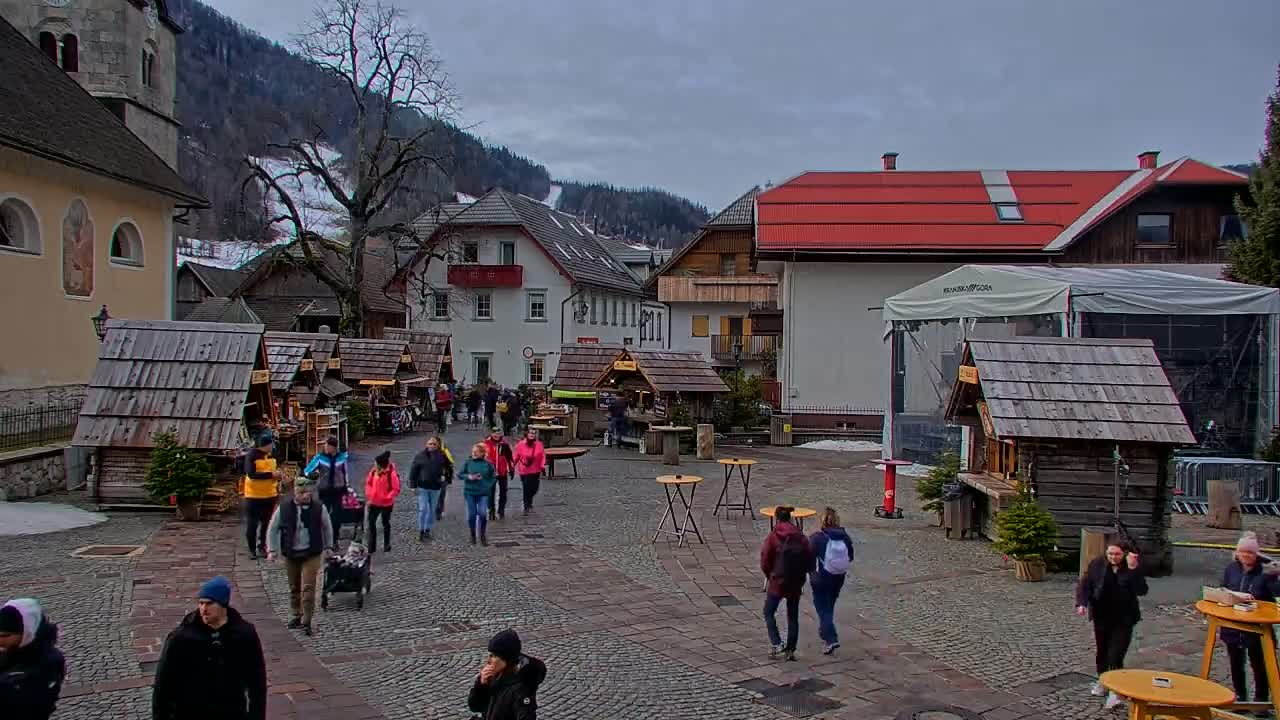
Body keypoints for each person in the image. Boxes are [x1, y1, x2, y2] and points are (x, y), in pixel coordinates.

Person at [151, 577, 266, 720]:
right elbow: (163, 685)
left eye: (209, 604)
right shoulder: (181, 638)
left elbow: (257, 682)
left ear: (223, 605)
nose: (203, 609)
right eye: (201, 603)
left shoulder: (244, 634)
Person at [1076, 542, 1147, 709]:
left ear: (1124, 554)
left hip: (1124, 618)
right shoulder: (1098, 564)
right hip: (1102, 615)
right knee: (1102, 652)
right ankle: (1102, 680)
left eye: (1116, 554)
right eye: (1110, 554)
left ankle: (1115, 691)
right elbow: (1085, 583)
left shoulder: (1131, 567)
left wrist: (1133, 570)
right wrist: (1082, 603)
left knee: (1116, 654)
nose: (1113, 557)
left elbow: (1142, 590)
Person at [267, 475, 334, 636]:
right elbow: (273, 528)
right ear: (296, 493)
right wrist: (272, 549)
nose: (307, 495)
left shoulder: (319, 508)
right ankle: (296, 614)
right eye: (304, 493)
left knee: (308, 587)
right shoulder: (284, 508)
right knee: (294, 587)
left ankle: (307, 620)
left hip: (312, 552)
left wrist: (329, 546)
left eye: (309, 492)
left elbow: (327, 527)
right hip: (291, 552)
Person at [1220, 534, 1280, 706]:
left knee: (1260, 664)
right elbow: (1224, 587)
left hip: (1258, 627)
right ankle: (1240, 696)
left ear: (1256, 554)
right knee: (1235, 663)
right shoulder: (1231, 568)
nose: (1246, 556)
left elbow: (1277, 593)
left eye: (1250, 553)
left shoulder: (1266, 571)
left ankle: (1261, 700)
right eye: (1242, 552)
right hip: (1232, 625)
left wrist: (1275, 577)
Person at [759, 506, 813, 661]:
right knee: (793, 615)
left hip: (778, 581)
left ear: (777, 518)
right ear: (790, 518)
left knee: (768, 612)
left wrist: (770, 575)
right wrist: (803, 576)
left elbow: (765, 559)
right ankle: (790, 650)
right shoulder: (801, 536)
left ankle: (776, 643)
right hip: (795, 581)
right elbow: (809, 558)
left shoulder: (773, 536)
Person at [0, 598, 65, 720]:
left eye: (5, 636)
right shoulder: (11, 651)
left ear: (27, 631)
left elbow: (30, 702)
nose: (0, 641)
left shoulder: (48, 661)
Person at [468, 629, 546, 720]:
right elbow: (475, 707)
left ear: (507, 659)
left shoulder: (521, 689)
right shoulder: (494, 676)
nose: (488, 660)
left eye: (494, 656)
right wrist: (481, 685)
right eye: (489, 655)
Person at [809, 507, 854, 655]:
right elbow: (850, 557)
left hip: (821, 578)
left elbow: (808, 558)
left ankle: (831, 639)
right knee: (830, 605)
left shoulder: (817, 538)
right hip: (838, 577)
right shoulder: (845, 537)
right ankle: (824, 630)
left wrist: (811, 573)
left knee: (823, 609)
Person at [305, 435, 349, 551]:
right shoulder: (320, 458)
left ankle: (334, 540)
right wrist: (311, 475)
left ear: (334, 447)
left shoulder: (341, 458)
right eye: (326, 445)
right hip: (324, 491)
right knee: (323, 516)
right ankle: (323, 540)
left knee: (337, 517)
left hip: (338, 491)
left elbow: (345, 472)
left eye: (329, 446)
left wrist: (346, 486)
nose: (326, 448)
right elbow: (307, 470)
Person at [241, 433, 279, 560]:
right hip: (254, 496)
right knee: (252, 524)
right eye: (271, 444)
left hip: (269, 495)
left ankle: (262, 546)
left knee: (266, 524)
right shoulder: (252, 456)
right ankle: (252, 549)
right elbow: (251, 474)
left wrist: (278, 478)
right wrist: (271, 475)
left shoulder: (272, 456)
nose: (272, 446)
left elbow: (274, 471)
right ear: (266, 445)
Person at [409, 436, 452, 540]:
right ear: (426, 444)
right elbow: (413, 471)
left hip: (436, 487)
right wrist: (413, 486)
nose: (432, 446)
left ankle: (428, 529)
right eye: (430, 444)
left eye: (434, 444)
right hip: (423, 487)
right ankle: (421, 530)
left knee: (432, 510)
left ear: (438, 446)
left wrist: (445, 477)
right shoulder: (420, 456)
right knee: (423, 509)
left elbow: (449, 468)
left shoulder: (442, 456)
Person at [459, 442, 498, 546]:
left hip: (483, 493)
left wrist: (488, 486)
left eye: (477, 452)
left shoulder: (488, 464)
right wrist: (469, 477)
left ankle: (482, 535)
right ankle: (472, 535)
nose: (474, 453)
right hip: (470, 492)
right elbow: (459, 474)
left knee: (483, 514)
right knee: (472, 515)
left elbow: (493, 477)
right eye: (473, 452)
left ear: (482, 453)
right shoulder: (468, 462)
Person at [364, 450, 400, 553]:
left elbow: (395, 489)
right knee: (371, 524)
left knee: (385, 523)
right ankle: (372, 546)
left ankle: (386, 544)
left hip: (386, 504)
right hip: (373, 502)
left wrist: (387, 497)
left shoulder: (391, 474)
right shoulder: (373, 471)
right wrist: (370, 494)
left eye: (376, 463)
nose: (374, 464)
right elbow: (368, 483)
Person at [512, 427, 546, 515]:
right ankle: (526, 505)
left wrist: (542, 466)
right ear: (527, 434)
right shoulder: (521, 444)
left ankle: (529, 500)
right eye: (530, 433)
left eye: (534, 433)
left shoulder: (539, 444)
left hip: (536, 469)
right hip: (524, 470)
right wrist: (512, 466)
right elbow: (516, 456)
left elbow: (542, 456)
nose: (532, 435)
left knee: (534, 488)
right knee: (526, 488)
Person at [484, 427, 515, 521]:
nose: (496, 435)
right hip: (490, 472)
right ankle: (491, 510)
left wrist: (511, 469)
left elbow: (510, 458)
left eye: (498, 433)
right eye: (494, 433)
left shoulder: (504, 444)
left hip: (502, 471)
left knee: (503, 492)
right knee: (490, 493)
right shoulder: (486, 444)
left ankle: (501, 510)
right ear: (491, 434)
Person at [436, 435, 457, 520]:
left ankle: (439, 511)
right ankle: (436, 510)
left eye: (436, 444)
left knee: (441, 495)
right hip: (431, 477)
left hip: (443, 476)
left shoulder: (444, 451)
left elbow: (451, 462)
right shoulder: (427, 453)